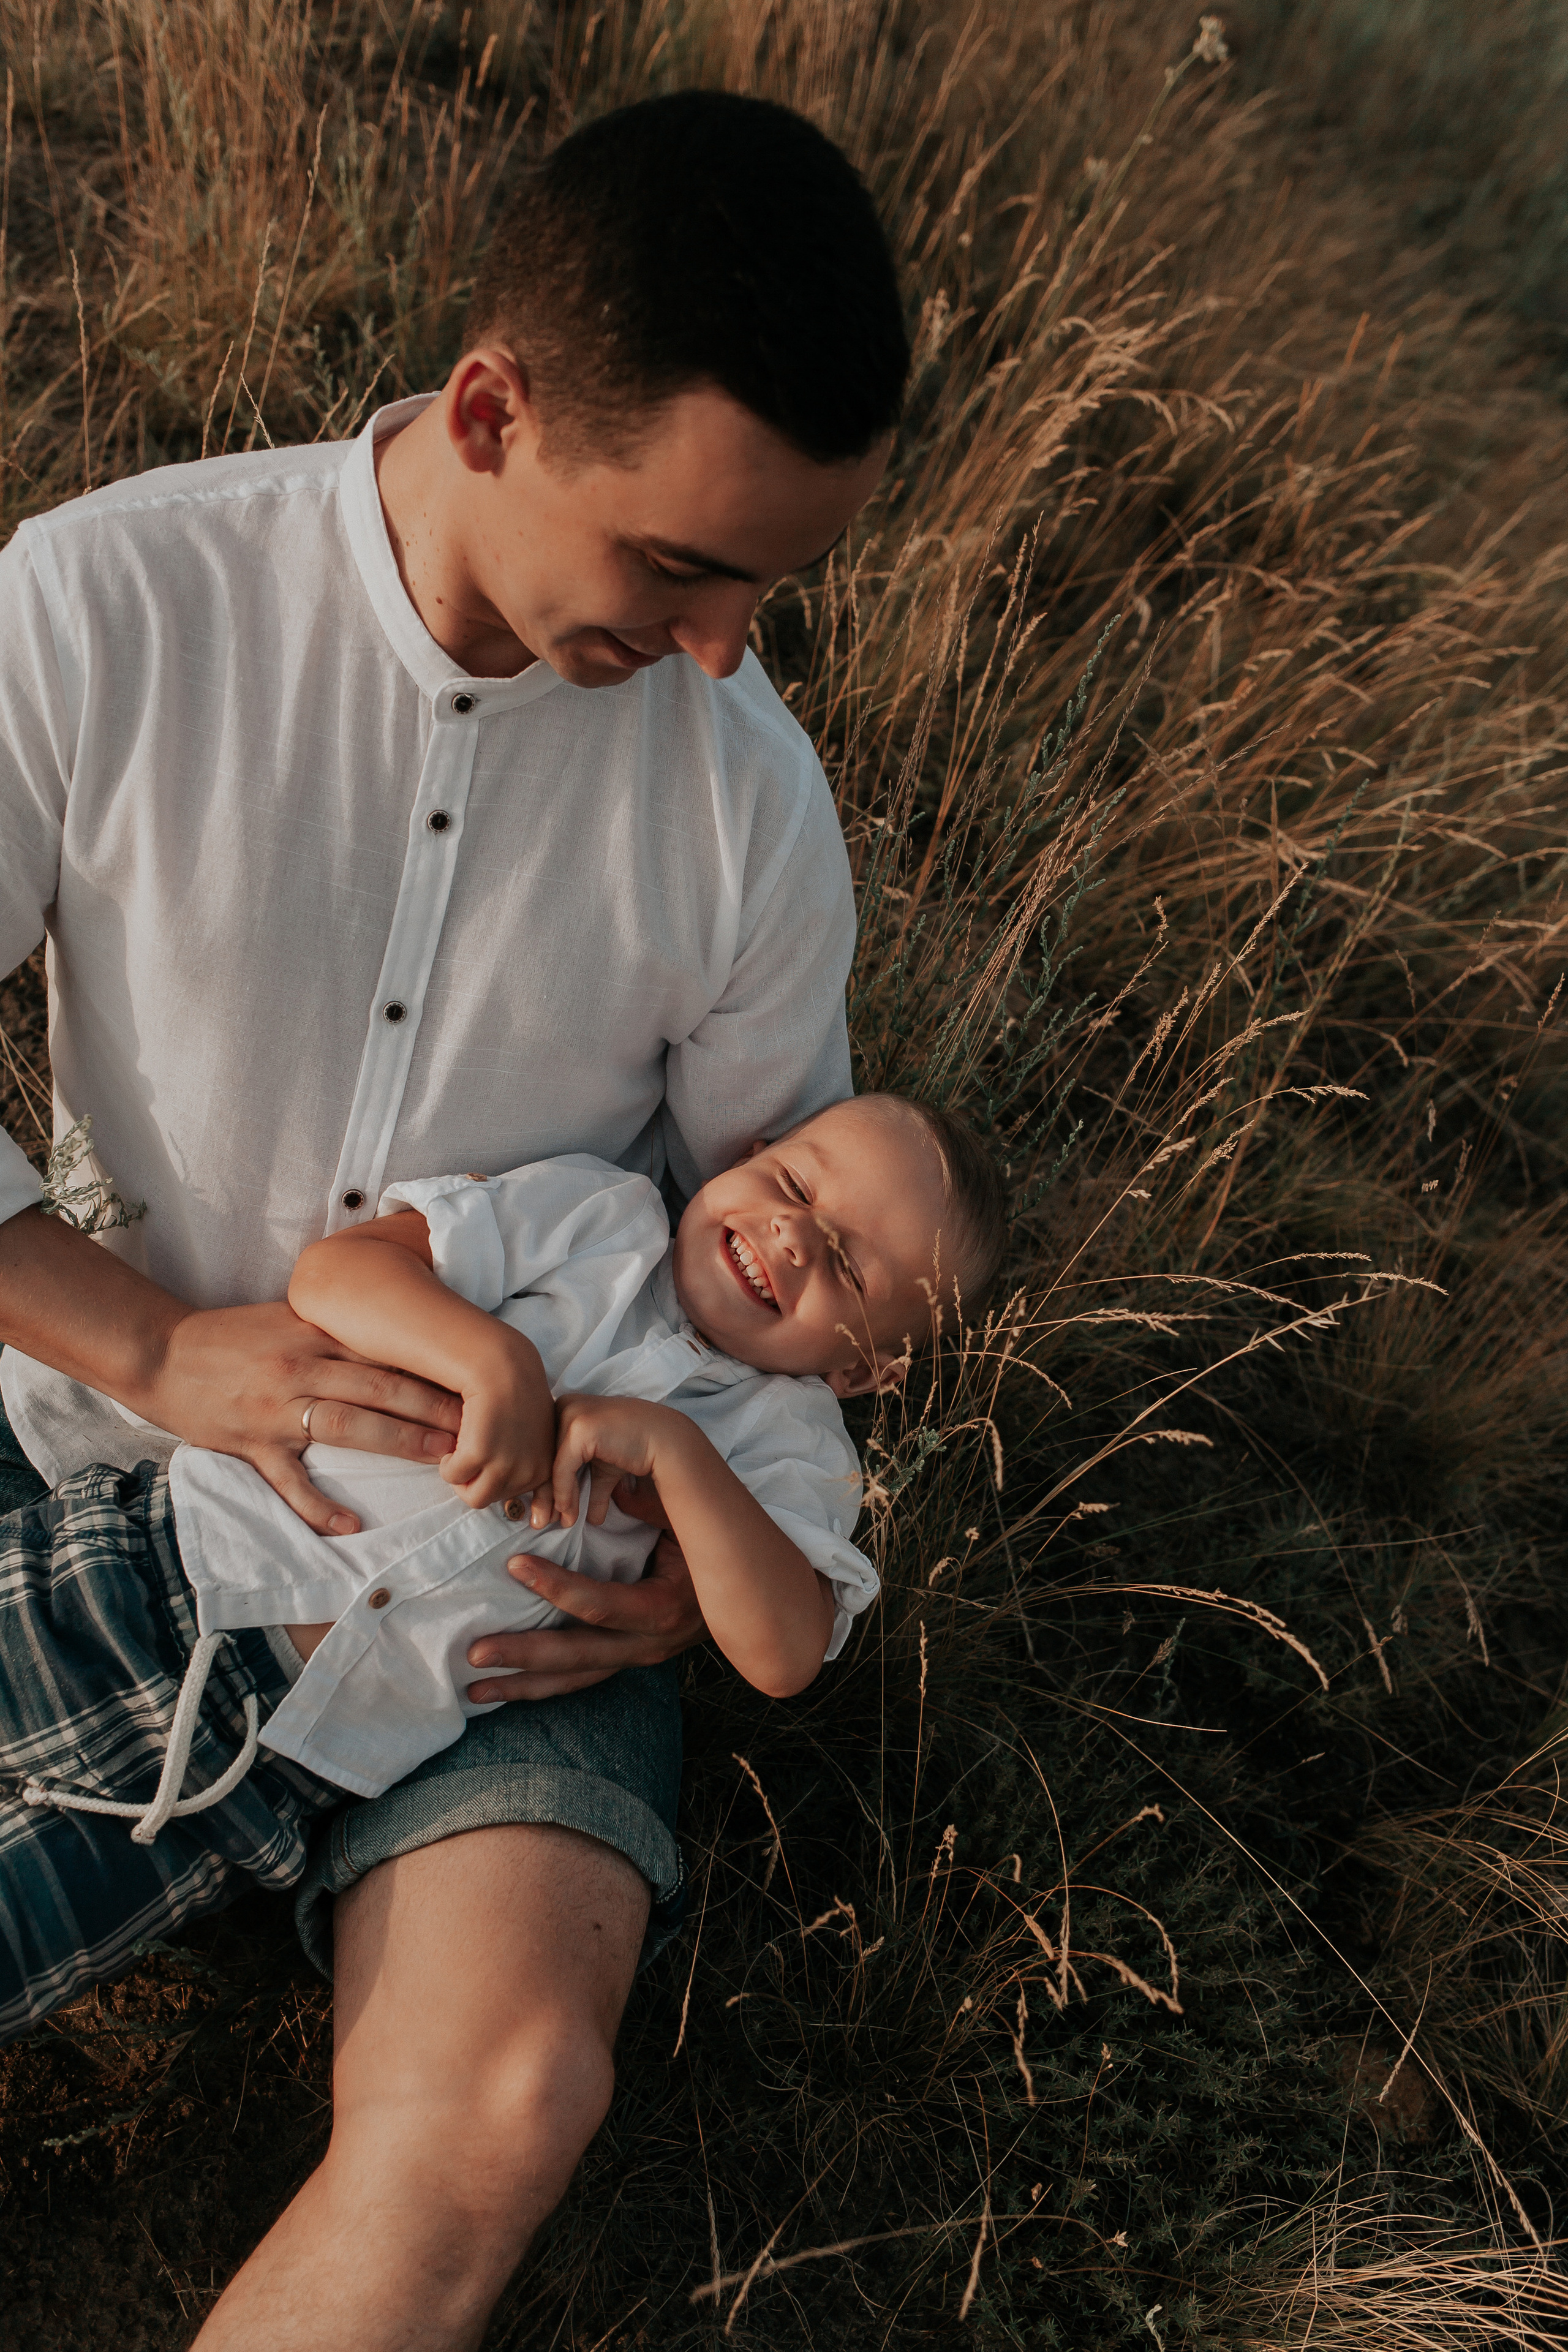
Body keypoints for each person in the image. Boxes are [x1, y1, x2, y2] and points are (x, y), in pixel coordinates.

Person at [0, 89, 909, 2350]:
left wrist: (698, 1588)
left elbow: (761, 1270)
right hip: (106, 1443)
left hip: (518, 1609)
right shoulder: (111, 602)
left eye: (771, 590)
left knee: (504, 2096)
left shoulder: (751, 805)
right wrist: (145, 1341)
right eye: (684, 569)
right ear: (491, 408)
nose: (725, 653)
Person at [5, 1097, 1006, 1985]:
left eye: (842, 1263)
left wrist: (677, 1453)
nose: (792, 1235)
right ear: (748, 1151)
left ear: (870, 1371)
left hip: (269, 1772)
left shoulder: (794, 1447)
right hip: (158, 1571)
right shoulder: (600, 1216)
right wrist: (491, 1355)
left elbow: (784, 1651)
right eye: (792, 1185)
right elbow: (342, 1272)